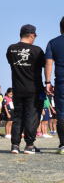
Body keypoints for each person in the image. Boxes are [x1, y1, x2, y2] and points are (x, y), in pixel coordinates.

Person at [6, 24, 45, 154]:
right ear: (31, 35)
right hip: (34, 88)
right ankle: (29, 145)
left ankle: (15, 145)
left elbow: (10, 62)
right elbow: (44, 65)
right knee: (32, 116)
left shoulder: (11, 49)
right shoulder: (37, 50)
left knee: (18, 116)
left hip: (17, 89)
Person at [44, 17, 64, 154]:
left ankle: (63, 144)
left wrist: (48, 82)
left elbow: (48, 63)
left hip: (61, 83)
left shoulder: (53, 43)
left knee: (62, 114)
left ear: (60, 28)